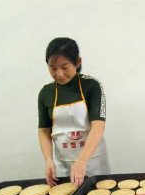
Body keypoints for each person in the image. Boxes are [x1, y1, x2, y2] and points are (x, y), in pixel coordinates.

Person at [38, 38, 110, 187]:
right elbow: (44, 131)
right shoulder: (46, 93)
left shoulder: (92, 86)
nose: (59, 74)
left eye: (65, 67)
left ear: (78, 62)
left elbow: (98, 126)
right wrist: (48, 160)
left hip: (93, 161)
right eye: (53, 68)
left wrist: (82, 160)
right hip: (63, 164)